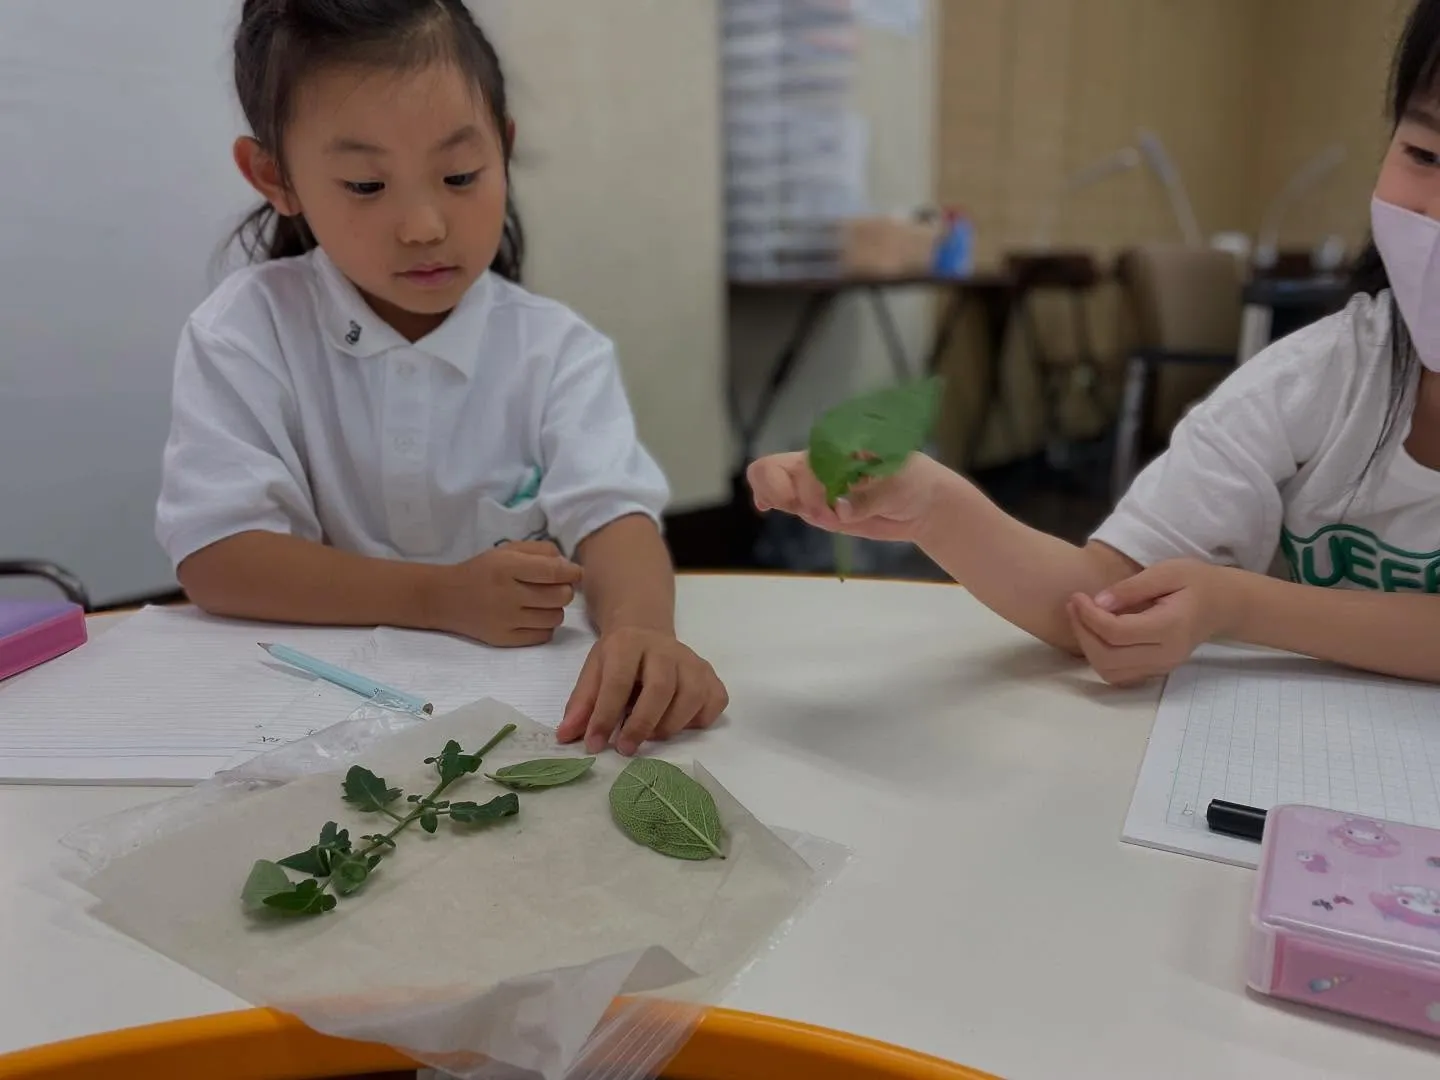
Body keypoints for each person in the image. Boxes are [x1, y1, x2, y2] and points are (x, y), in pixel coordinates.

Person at [749, 0, 1440, 688]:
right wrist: (934, 504)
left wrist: (1239, 603)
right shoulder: (1316, 379)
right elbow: (1103, 595)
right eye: (1425, 154)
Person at [156, 0, 726, 755]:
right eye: (366, 185)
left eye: (460, 176)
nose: (424, 226)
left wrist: (642, 631)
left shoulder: (556, 349)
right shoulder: (245, 331)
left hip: (519, 712)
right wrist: (440, 596)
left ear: (504, 151)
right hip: (309, 716)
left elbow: (612, 516)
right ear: (275, 177)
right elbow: (220, 557)